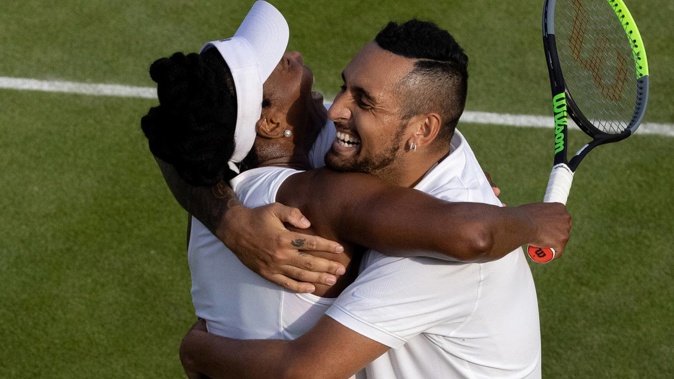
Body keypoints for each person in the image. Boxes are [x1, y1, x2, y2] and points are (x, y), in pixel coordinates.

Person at [142, 0, 569, 346]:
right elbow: (474, 234)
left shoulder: (212, 187)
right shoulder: (316, 195)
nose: (296, 54)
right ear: (268, 122)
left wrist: (227, 221)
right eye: (282, 64)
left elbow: (169, 141)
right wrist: (534, 221)